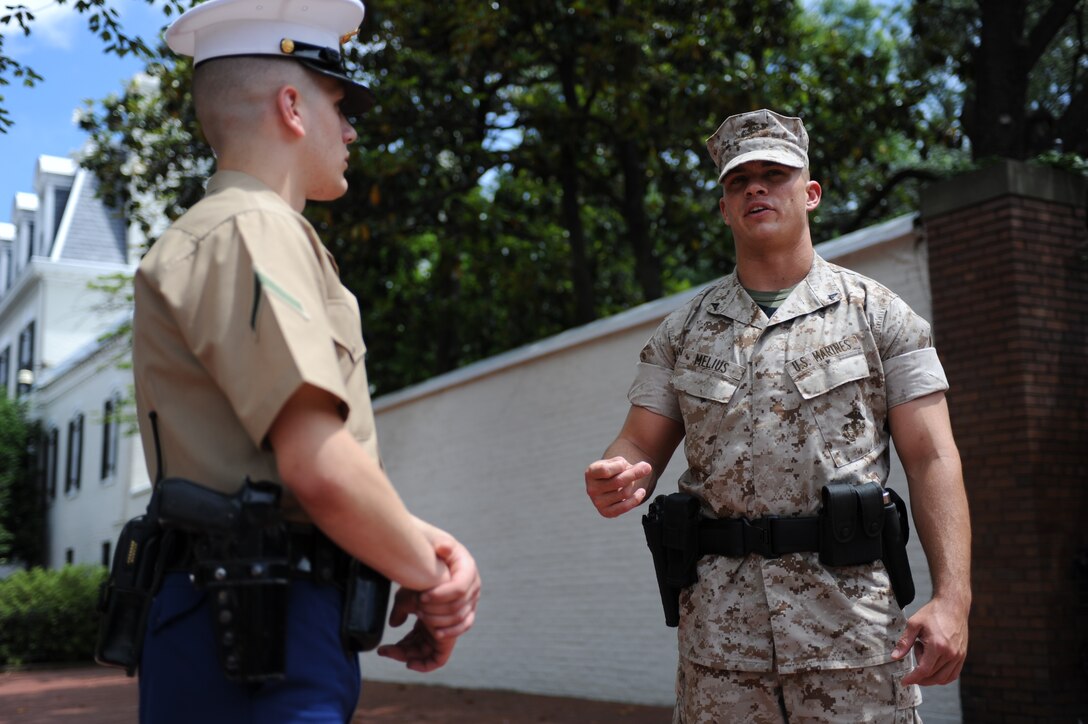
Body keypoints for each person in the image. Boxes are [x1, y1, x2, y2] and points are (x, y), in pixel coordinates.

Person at [129, 0, 481, 721]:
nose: (350, 129)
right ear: (292, 106)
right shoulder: (254, 226)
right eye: (339, 103)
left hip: (244, 618)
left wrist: (407, 538)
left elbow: (276, 470)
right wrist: (428, 577)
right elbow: (316, 467)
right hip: (259, 633)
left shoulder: (231, 230)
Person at [584, 109, 970, 721]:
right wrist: (620, 473)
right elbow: (638, 442)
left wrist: (954, 599)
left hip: (854, 640)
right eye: (739, 181)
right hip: (720, 647)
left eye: (774, 174)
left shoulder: (880, 315)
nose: (755, 188)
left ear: (810, 193)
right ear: (724, 207)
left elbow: (933, 458)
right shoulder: (682, 332)